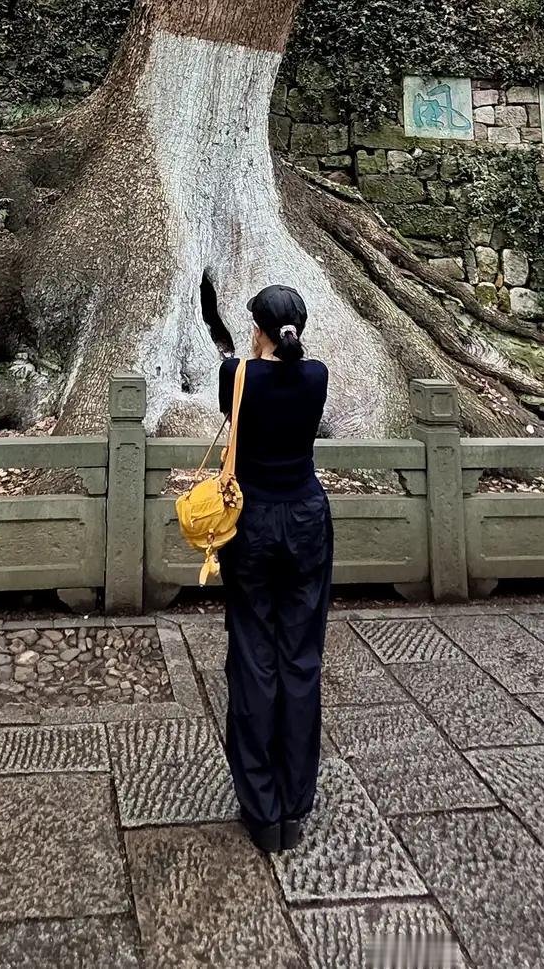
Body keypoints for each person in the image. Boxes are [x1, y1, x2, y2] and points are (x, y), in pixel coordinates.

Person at [219, 283, 332, 854]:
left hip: (252, 523)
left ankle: (262, 810)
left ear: (257, 329)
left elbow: (237, 411)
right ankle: (294, 803)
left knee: (253, 656)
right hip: (307, 520)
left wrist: (252, 355)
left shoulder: (236, 375)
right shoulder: (317, 377)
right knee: (300, 657)